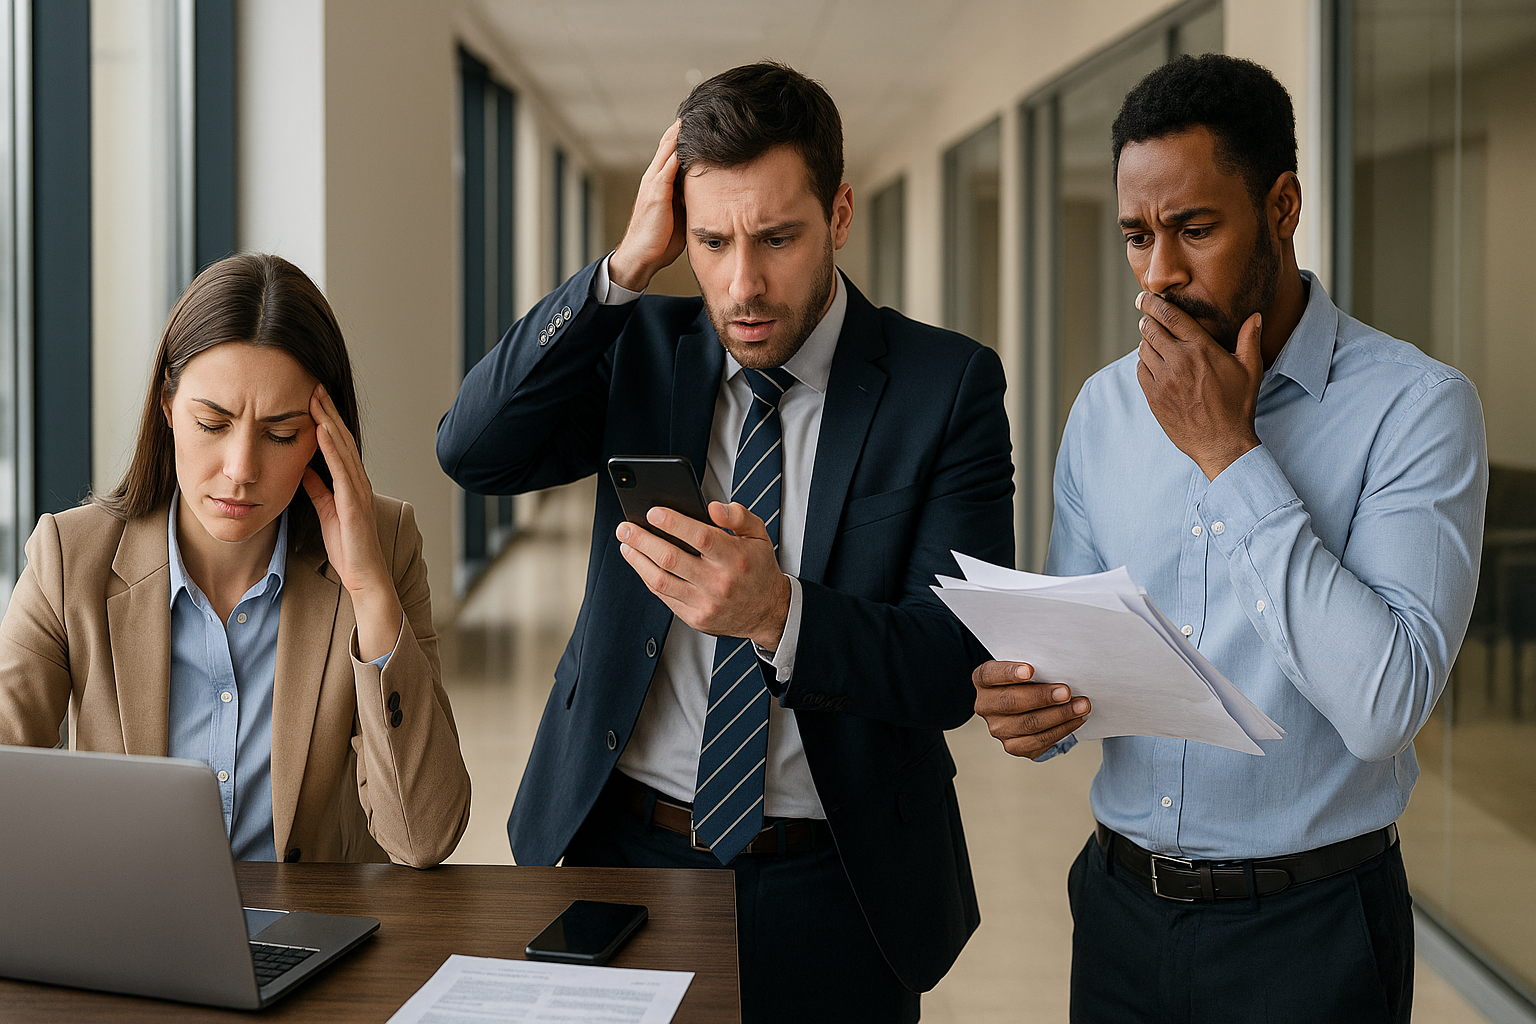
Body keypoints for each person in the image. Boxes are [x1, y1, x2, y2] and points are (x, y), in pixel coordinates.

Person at [437, 62, 1013, 1023]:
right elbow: (473, 449)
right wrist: (623, 270)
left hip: (837, 878)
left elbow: (954, 664)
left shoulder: (945, 387)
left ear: (840, 212)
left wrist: (781, 614)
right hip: (623, 850)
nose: (742, 285)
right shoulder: (640, 348)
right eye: (712, 242)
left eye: (779, 238)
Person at [971, 54, 1485, 1023]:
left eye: (1194, 228)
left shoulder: (1418, 410)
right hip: (1121, 912)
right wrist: (1036, 710)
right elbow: (1078, 663)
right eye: (1136, 236)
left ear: (1282, 207)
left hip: (1315, 928)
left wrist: (1231, 453)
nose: (1160, 272)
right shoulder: (1103, 411)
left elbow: (1385, 707)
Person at [0, 253, 471, 869]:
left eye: (281, 435)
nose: (241, 470)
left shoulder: (385, 547)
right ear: (167, 407)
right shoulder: (71, 557)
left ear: (328, 439)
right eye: (211, 424)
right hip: (133, 935)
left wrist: (369, 589)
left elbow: (425, 839)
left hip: (312, 940)